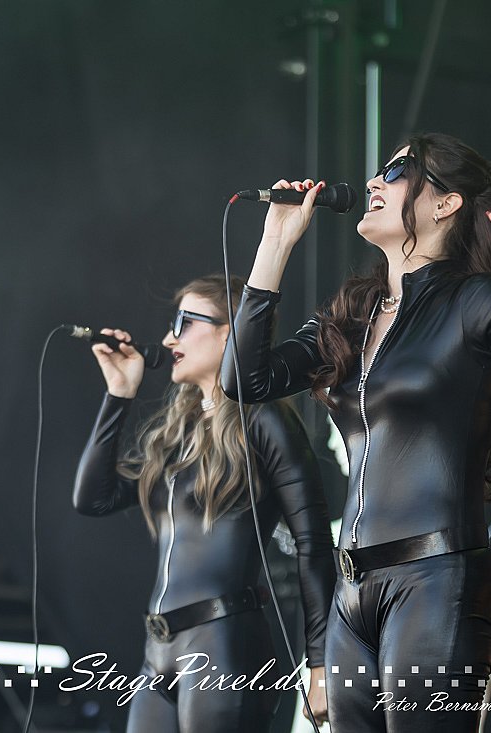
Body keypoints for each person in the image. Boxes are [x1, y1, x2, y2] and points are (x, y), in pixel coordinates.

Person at [222, 132, 491, 732]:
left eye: (397, 171)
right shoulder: (352, 314)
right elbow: (244, 380)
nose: (373, 182)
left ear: (445, 203)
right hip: (351, 595)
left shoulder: (478, 300)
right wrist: (275, 244)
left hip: (436, 582)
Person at [73, 273, 336, 732]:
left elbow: (313, 543)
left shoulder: (265, 420)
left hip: (223, 644)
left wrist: (321, 664)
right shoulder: (180, 432)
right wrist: (118, 394)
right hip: (158, 650)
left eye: (184, 322)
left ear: (230, 332)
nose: (168, 338)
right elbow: (92, 499)